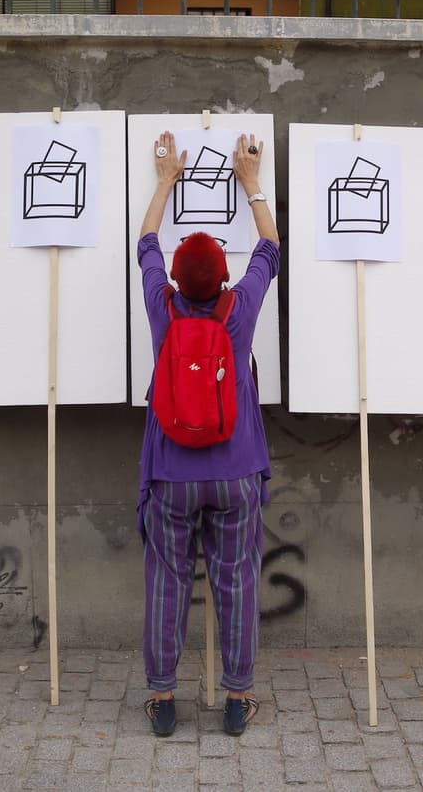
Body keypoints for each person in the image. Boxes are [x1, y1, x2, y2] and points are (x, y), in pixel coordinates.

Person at [136, 130, 280, 737]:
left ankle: (163, 697)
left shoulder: (161, 306)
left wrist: (167, 180)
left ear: (175, 276)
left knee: (168, 581)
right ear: (223, 278)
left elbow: (144, 242)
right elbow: (270, 247)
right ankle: (237, 698)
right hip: (235, 471)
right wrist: (249, 182)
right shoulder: (239, 308)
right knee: (237, 580)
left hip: (171, 473)